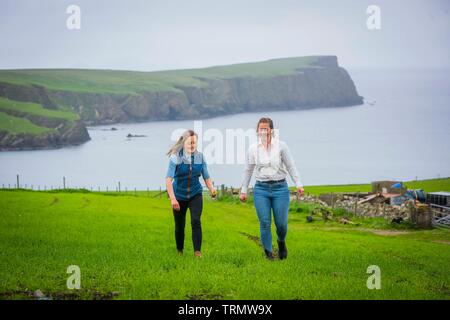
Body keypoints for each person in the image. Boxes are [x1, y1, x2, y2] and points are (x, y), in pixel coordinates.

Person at [240, 117, 304, 260]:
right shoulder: (252, 149)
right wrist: (244, 190)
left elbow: (291, 166)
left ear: (271, 130)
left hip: (280, 188)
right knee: (264, 222)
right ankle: (269, 254)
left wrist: (298, 184)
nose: (263, 131)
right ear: (257, 131)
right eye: (260, 129)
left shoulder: (282, 146)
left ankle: (281, 242)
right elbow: (248, 170)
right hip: (261, 190)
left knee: (281, 224)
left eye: (266, 129)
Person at [165, 129, 216, 257]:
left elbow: (206, 177)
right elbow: (168, 180)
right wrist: (173, 199)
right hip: (179, 196)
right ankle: (179, 251)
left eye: (194, 143)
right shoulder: (176, 157)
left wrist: (212, 189)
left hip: (195, 194)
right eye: (190, 143)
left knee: (195, 221)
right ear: (184, 143)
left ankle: (197, 252)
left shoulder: (200, 157)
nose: (192, 146)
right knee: (179, 226)